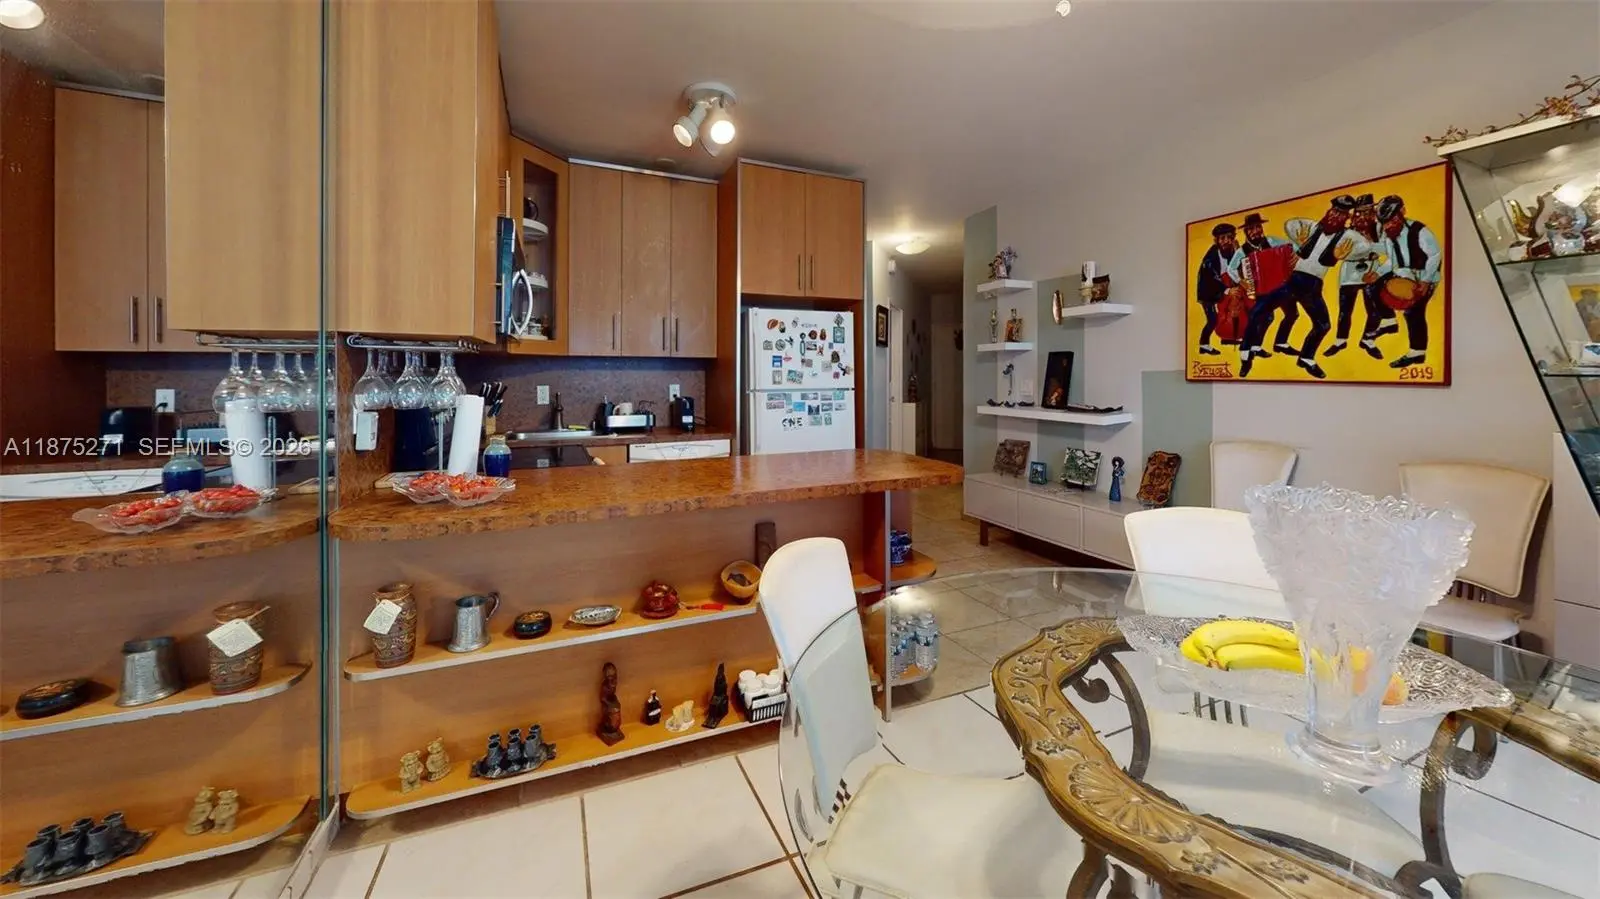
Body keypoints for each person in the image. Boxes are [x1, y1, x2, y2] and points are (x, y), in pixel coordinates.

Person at [1275, 195, 1365, 378]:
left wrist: (1343, 255)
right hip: (1294, 279)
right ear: (1328, 211)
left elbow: (1365, 246)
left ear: (1346, 217)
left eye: (1341, 214)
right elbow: (1290, 224)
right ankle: (1301, 355)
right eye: (1334, 211)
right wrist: (1299, 242)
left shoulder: (1345, 236)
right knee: (1319, 324)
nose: (1335, 216)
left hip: (1310, 283)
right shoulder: (1312, 227)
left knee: (1311, 321)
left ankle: (1290, 349)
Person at [1370, 194, 1442, 369]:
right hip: (1403, 274)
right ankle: (1389, 322)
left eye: (1392, 220)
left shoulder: (1420, 231)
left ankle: (1417, 353)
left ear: (1402, 212)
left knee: (1413, 312)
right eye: (1385, 222)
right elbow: (1392, 261)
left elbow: (1435, 255)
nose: (1388, 225)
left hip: (1425, 276)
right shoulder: (1389, 235)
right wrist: (1377, 274)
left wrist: (1425, 281)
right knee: (1373, 287)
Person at [1326, 194, 1389, 358]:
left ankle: (1368, 340)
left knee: (1374, 310)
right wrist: (1368, 249)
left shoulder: (1379, 229)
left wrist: (1368, 247)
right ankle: (1340, 340)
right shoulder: (1346, 231)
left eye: (1366, 212)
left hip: (1372, 271)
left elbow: (1386, 248)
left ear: (1373, 212)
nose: (1362, 216)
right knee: (1345, 311)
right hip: (1350, 272)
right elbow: (1340, 252)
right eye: (1359, 212)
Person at [1194, 222, 1241, 356]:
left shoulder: (1232, 251)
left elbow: (1235, 268)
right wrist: (1227, 290)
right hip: (1208, 291)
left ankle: (1227, 337)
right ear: (1216, 240)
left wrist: (1239, 251)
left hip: (1224, 286)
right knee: (1213, 319)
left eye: (1230, 237)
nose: (1226, 241)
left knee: (1230, 312)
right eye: (1222, 238)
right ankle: (1204, 345)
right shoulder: (1211, 257)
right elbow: (1211, 278)